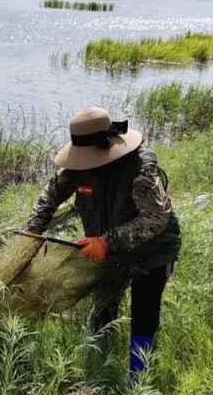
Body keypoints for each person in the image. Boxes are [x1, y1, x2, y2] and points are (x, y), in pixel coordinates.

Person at [25, 107, 181, 380]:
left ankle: (138, 378)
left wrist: (106, 242)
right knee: (103, 310)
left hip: (153, 250)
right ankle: (99, 369)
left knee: (144, 313)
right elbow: (50, 198)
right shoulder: (77, 170)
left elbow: (156, 220)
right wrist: (31, 232)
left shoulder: (141, 170)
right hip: (108, 249)